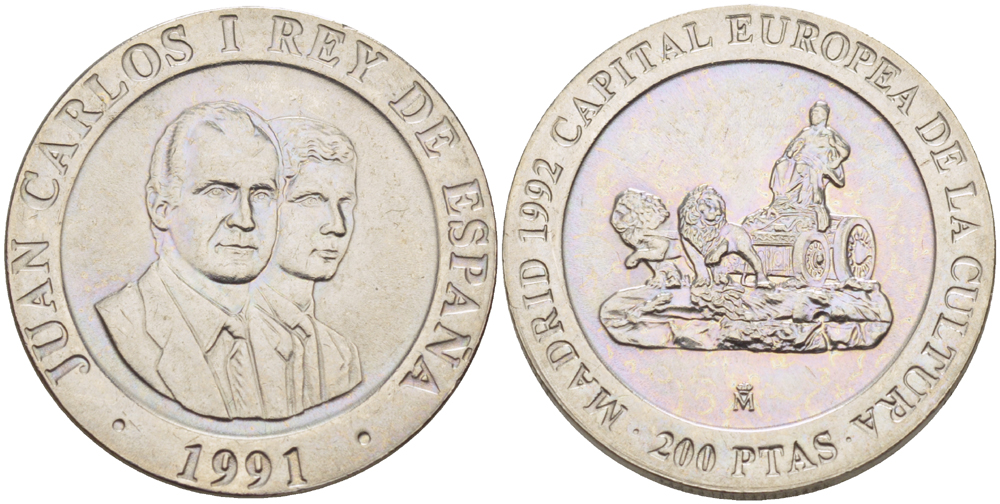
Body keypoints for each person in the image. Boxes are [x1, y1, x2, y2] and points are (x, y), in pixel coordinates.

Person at [96, 102, 281, 419]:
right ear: (161, 207)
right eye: (218, 192)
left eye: (261, 194)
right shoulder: (119, 324)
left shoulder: (296, 343)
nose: (245, 219)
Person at [247, 117, 362, 418]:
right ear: (263, 205)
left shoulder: (340, 354)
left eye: (345, 203)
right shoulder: (224, 338)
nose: (337, 225)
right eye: (312, 200)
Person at [768, 101, 850, 231]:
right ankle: (782, 200)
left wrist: (835, 155)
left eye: (816, 113)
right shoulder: (806, 132)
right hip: (800, 161)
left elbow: (844, 151)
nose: (812, 116)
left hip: (817, 164)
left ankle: (807, 203)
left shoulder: (829, 133)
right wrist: (792, 151)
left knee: (806, 168)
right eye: (812, 113)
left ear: (824, 116)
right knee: (781, 164)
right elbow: (790, 151)